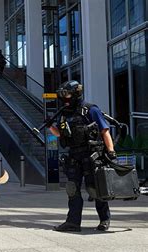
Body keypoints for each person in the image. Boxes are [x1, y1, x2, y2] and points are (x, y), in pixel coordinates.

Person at [46, 80, 116, 232]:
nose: (65, 98)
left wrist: (111, 151)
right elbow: (60, 134)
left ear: (76, 93)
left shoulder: (90, 110)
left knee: (95, 189)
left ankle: (104, 219)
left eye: (67, 94)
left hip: (91, 155)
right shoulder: (64, 113)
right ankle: (73, 222)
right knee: (72, 189)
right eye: (63, 94)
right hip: (73, 156)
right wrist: (50, 126)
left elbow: (104, 130)